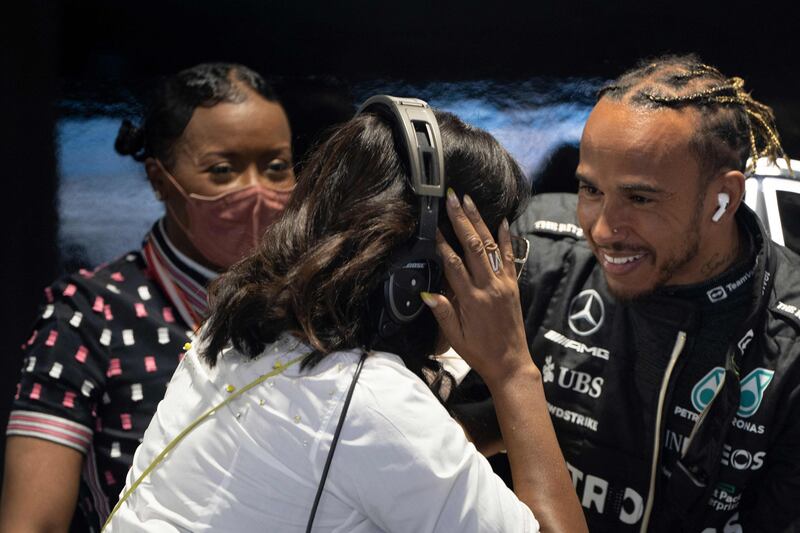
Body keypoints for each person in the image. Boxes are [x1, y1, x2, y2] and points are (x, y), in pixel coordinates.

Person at [104, 99, 586, 532]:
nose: (502, 281)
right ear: (415, 273)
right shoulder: (369, 401)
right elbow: (371, 426)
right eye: (491, 256)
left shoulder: (237, 325)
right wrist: (513, 371)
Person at [459, 54, 800, 532]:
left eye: (640, 198)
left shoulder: (789, 344)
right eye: (590, 190)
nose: (602, 229)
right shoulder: (532, 254)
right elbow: (441, 433)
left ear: (723, 198)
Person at [0, 63, 296, 532]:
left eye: (277, 167)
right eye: (223, 170)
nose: (255, 190)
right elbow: (32, 524)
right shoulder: (87, 316)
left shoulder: (309, 309)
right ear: (159, 180)